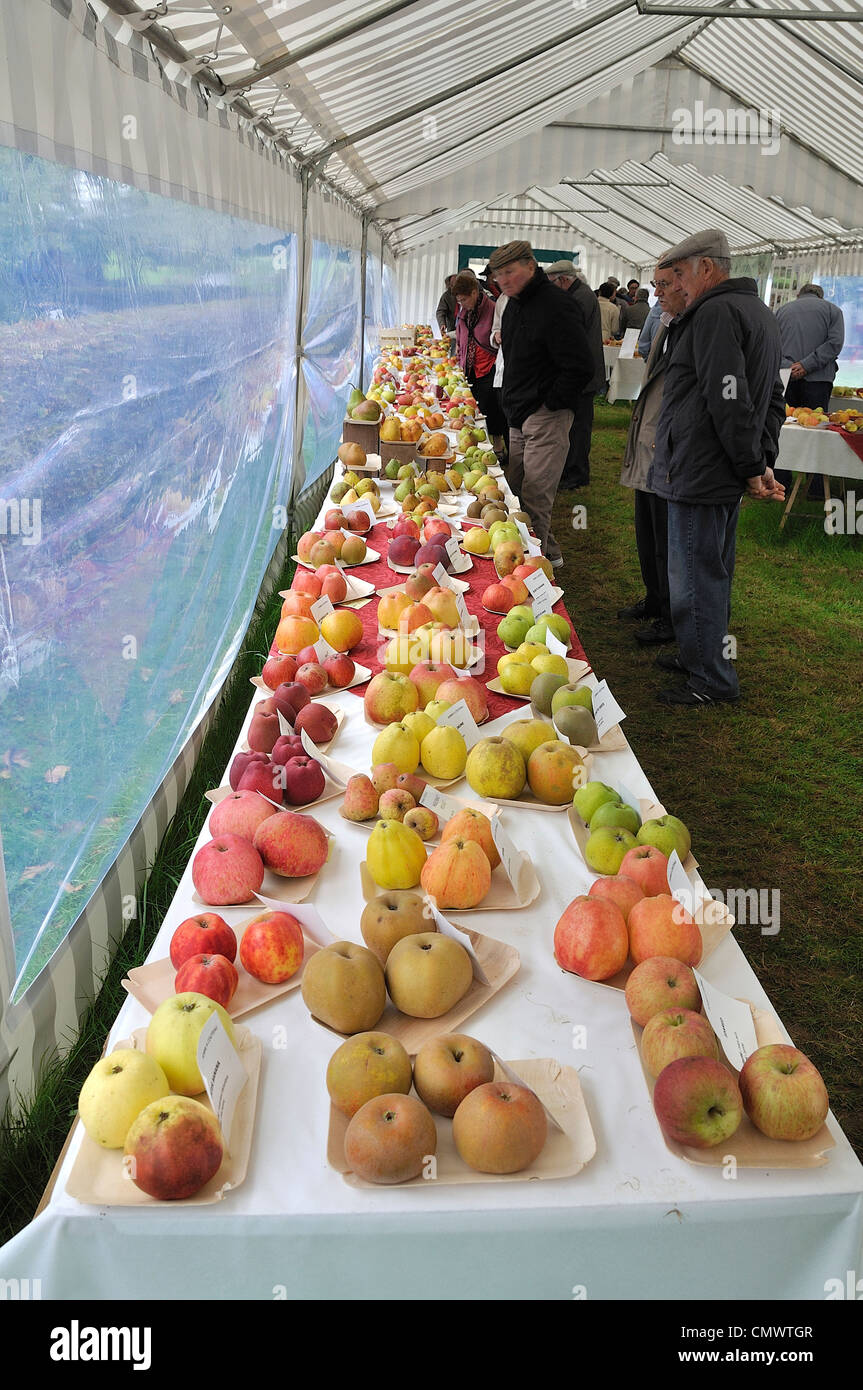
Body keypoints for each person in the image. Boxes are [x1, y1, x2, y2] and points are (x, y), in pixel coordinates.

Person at [648, 229, 786, 707]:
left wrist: (752, 465)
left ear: (706, 268)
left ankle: (710, 678)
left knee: (694, 576)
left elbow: (729, 398)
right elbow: (771, 397)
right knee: (710, 568)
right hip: (716, 466)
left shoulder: (714, 313)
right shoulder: (757, 311)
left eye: (680, 275)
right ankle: (698, 655)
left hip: (700, 467)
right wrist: (759, 459)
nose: (676, 286)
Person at [488, 240, 594, 567]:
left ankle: (534, 579)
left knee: (534, 497)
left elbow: (580, 365)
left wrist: (550, 404)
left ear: (531, 266)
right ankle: (550, 553)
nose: (503, 280)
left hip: (545, 415)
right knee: (516, 491)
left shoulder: (556, 305)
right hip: (518, 415)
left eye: (510, 271)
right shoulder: (512, 304)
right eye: (498, 274)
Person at [618, 265, 687, 645]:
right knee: (647, 530)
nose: (657, 293)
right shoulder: (664, 318)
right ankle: (654, 599)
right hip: (650, 435)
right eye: (655, 285)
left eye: (664, 285)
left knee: (665, 536)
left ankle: (670, 613)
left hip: (667, 440)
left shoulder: (694, 327)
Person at [546, 260, 605, 488]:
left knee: (580, 427)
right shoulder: (580, 294)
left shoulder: (581, 298)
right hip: (582, 373)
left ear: (563, 279)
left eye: (553, 283)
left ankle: (577, 474)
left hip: (584, 376)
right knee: (574, 425)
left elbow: (569, 334)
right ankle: (571, 470)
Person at [452, 271, 507, 453]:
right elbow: (461, 329)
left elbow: (495, 336)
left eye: (464, 300)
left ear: (475, 293)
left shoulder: (492, 308)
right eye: (459, 301)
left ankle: (498, 446)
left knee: (491, 409)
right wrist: (459, 347)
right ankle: (475, 445)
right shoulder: (463, 310)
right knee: (471, 407)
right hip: (468, 366)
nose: (461, 304)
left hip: (487, 366)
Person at [776, 284, 845, 414]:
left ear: (798, 295)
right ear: (821, 297)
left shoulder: (781, 311)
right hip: (819, 380)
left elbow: (772, 345)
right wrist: (805, 366)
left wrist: (789, 366)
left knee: (785, 424)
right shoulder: (833, 310)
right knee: (815, 424)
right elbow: (835, 343)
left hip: (787, 377)